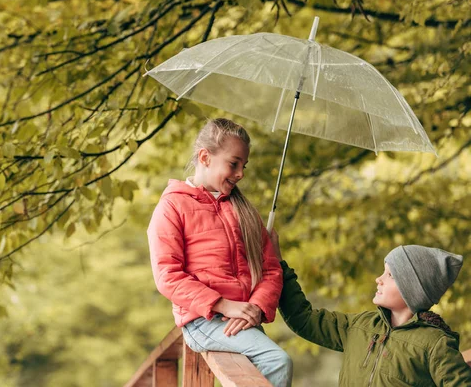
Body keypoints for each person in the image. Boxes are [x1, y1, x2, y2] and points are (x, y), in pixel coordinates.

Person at [147, 118, 292, 386]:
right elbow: (168, 275)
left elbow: (271, 269)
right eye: (233, 164)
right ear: (205, 157)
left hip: (243, 319)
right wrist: (223, 305)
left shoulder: (244, 211)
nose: (240, 174)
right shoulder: (172, 207)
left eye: (243, 166)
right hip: (204, 318)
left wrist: (257, 307)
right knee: (276, 361)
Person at [270, 230, 471, 386]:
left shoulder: (436, 344)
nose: (379, 279)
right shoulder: (360, 325)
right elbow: (303, 318)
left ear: (412, 289)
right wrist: (278, 264)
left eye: (390, 275)